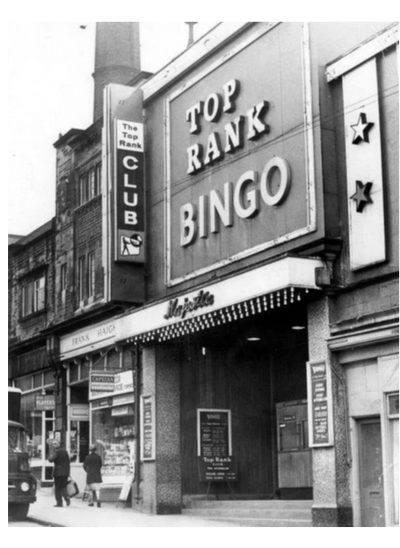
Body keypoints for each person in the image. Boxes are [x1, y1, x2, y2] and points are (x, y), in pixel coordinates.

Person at [48, 441, 71, 508]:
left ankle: (59, 503)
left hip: (58, 473)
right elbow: (68, 462)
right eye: (53, 444)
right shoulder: (65, 452)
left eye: (54, 444)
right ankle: (67, 498)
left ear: (58, 444)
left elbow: (50, 459)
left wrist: (51, 452)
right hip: (65, 472)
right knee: (63, 487)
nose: (53, 445)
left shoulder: (56, 452)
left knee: (57, 488)